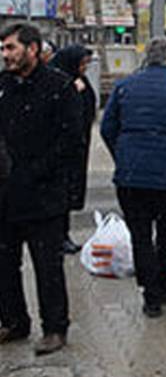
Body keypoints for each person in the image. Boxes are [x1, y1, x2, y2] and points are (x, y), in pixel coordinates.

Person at [101, 37, 166, 318]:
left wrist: (123, 156)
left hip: (131, 177)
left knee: (140, 236)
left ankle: (151, 297)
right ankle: (163, 285)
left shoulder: (125, 87)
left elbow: (107, 128)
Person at [0, 23, 83, 355]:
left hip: (43, 194)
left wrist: (36, 172)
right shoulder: (4, 86)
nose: (5, 55)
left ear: (32, 49)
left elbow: (71, 141)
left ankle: (55, 328)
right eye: (3, 49)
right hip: (4, 194)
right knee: (5, 262)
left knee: (47, 264)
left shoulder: (59, 87)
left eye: (11, 48)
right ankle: (14, 320)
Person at [48, 44, 96, 255]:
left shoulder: (77, 79)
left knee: (68, 192)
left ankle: (62, 235)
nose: (85, 68)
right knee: (60, 194)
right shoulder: (59, 82)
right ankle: (57, 237)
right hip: (60, 150)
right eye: (82, 63)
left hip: (76, 146)